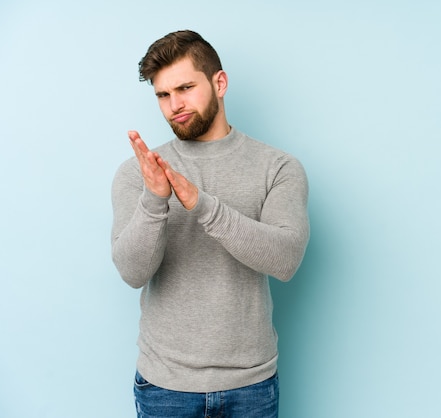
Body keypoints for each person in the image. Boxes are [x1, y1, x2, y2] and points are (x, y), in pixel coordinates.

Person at [110, 30, 309, 418]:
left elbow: (286, 260)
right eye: (163, 95)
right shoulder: (139, 174)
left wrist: (202, 205)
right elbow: (132, 272)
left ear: (219, 83)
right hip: (165, 386)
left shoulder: (279, 168)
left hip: (252, 386)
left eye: (185, 88)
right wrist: (155, 200)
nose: (174, 105)